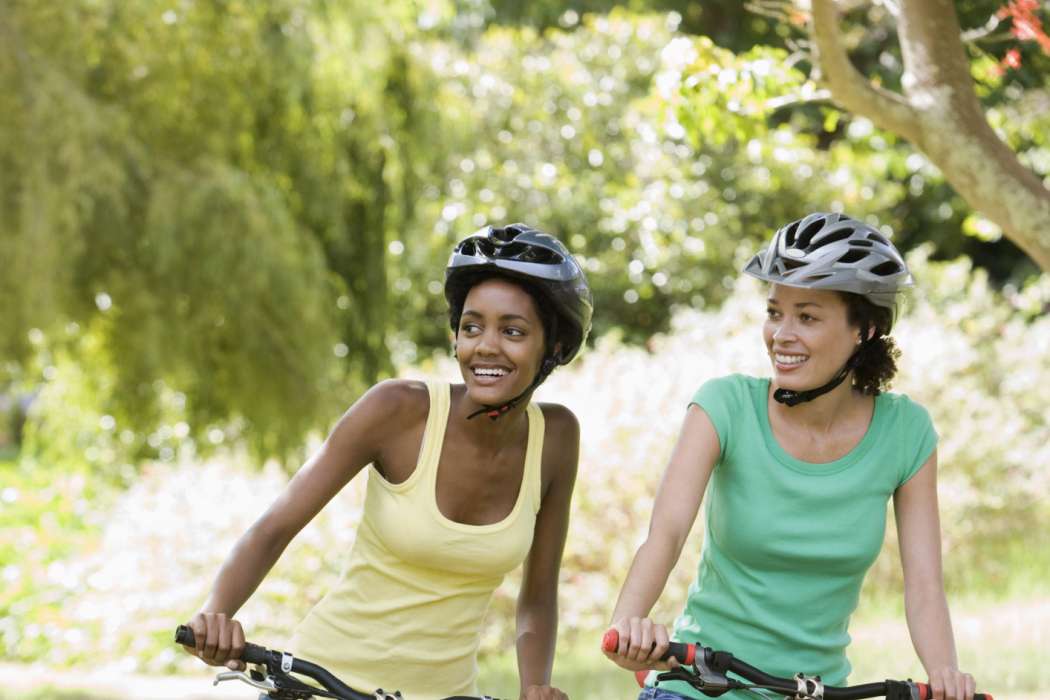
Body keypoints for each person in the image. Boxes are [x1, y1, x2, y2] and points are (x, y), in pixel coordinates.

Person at [182, 223, 593, 700]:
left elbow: (538, 596)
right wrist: (217, 612)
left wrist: (535, 687)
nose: (485, 345)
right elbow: (275, 526)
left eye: (513, 331)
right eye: (471, 326)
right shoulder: (398, 411)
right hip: (323, 682)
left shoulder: (557, 438)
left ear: (555, 348)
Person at [603, 213, 978, 700]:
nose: (781, 334)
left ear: (863, 328)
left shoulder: (905, 433)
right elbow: (666, 534)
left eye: (807, 316)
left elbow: (924, 584)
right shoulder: (725, 407)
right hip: (699, 685)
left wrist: (945, 672)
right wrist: (627, 622)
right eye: (775, 312)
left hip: (815, 690)